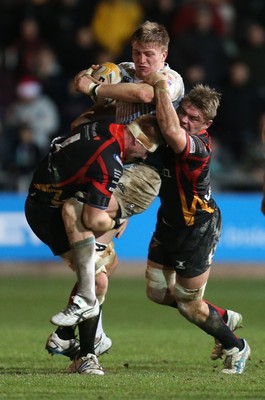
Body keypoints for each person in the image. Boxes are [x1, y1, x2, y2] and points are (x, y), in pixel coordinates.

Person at [46, 21, 244, 370]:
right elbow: (93, 82)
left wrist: (94, 88)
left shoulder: (170, 82)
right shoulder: (124, 71)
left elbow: (143, 97)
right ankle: (86, 337)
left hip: (152, 184)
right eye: (136, 52)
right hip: (126, 177)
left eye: (149, 54)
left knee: (89, 233)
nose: (141, 61)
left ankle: (86, 346)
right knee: (121, 270)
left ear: (164, 55)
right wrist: (92, 82)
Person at [25, 112, 162, 375]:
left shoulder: (102, 128)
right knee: (98, 279)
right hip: (51, 214)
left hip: (42, 198)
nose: (144, 158)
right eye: (147, 151)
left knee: (109, 263)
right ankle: (86, 356)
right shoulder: (109, 163)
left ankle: (65, 335)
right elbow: (92, 218)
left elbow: (77, 125)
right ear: (138, 141)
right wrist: (121, 214)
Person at [142, 72, 251, 374]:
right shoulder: (170, 130)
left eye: (194, 117)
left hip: (197, 228)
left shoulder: (198, 147)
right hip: (168, 223)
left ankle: (236, 346)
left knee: (190, 305)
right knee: (157, 293)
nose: (185, 120)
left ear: (206, 125)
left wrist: (160, 86)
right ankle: (220, 316)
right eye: (183, 113)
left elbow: (172, 133)